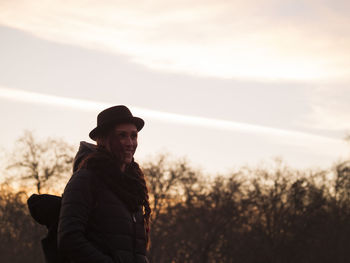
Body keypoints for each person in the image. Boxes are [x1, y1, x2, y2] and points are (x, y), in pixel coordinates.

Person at [58, 105, 151, 263]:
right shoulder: (86, 180)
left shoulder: (134, 187)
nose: (130, 143)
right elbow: (69, 239)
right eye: (122, 136)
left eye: (134, 136)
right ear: (104, 140)